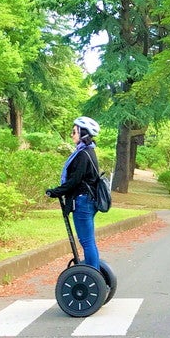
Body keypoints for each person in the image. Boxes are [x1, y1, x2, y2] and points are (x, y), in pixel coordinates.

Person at [46, 116, 103, 270]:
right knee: (89, 241)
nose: (72, 135)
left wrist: (55, 192)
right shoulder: (87, 152)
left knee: (86, 241)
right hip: (87, 200)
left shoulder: (83, 155)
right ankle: (94, 271)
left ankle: (93, 274)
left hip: (83, 202)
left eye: (74, 132)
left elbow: (74, 181)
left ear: (82, 133)